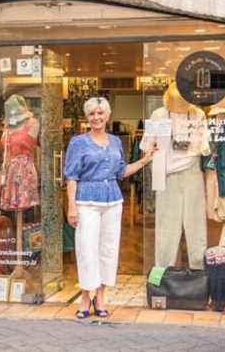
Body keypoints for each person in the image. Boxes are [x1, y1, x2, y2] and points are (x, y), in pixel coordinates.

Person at [64, 97, 157, 319]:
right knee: (87, 250)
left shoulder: (116, 142)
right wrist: (72, 207)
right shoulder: (78, 142)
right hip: (86, 201)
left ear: (107, 115)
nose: (96, 117)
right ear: (88, 118)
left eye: (100, 113)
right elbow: (71, 177)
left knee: (108, 250)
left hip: (113, 202)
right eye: (92, 114)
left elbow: (121, 173)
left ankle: (101, 296)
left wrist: (145, 160)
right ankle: (85, 297)